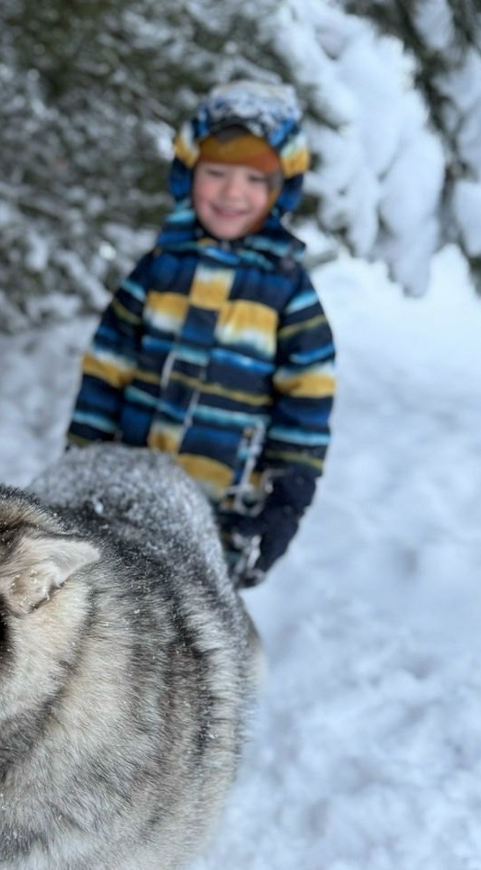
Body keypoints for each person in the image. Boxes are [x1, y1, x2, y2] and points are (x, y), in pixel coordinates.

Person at [66, 79, 335, 586]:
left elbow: (307, 402)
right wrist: (82, 461)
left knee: (194, 618)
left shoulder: (288, 292)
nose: (233, 192)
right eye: (216, 173)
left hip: (219, 510)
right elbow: (106, 369)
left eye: (255, 179)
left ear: (281, 189)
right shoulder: (158, 271)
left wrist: (287, 496)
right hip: (124, 496)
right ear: (188, 172)